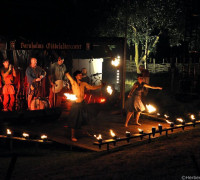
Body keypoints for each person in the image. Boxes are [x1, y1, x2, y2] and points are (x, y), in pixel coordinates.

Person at [66, 70, 103, 142]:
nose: (81, 76)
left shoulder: (83, 83)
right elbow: (68, 76)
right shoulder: (73, 83)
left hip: (82, 103)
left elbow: (92, 87)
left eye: (81, 75)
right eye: (79, 75)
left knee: (85, 117)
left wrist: (101, 85)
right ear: (76, 76)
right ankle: (72, 136)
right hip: (75, 104)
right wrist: (66, 71)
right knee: (74, 120)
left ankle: (84, 132)